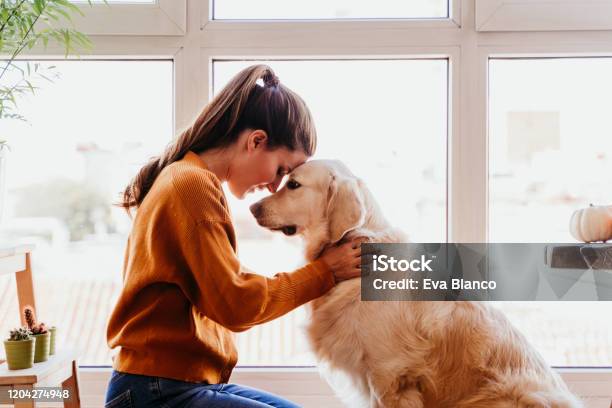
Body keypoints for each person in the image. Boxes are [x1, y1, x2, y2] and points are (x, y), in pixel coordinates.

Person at [104, 64, 362, 408]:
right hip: (154, 392)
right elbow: (237, 304)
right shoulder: (191, 185)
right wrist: (325, 272)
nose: (274, 186)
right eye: (282, 170)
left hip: (171, 384)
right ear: (256, 141)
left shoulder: (188, 177)